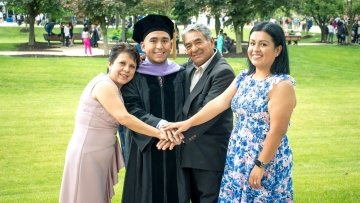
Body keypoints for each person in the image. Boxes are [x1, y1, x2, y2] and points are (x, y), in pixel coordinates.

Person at [163, 21, 296, 202]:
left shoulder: (282, 85)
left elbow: (277, 131)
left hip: (265, 159)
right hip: (237, 158)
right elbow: (218, 103)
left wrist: (260, 164)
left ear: (278, 50)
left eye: (263, 44)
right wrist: (187, 123)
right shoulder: (243, 78)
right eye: (252, 43)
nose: (255, 49)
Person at [59, 43, 171, 203]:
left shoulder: (114, 86)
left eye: (132, 66)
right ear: (110, 63)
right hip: (88, 154)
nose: (127, 69)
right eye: (122, 63)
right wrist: (160, 134)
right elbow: (124, 118)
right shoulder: (105, 86)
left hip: (100, 153)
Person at [163, 23, 235, 203]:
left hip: (209, 156)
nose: (193, 49)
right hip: (186, 153)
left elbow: (207, 115)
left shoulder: (223, 72)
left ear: (211, 41)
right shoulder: (187, 67)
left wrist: (173, 137)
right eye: (188, 45)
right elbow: (162, 75)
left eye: (198, 42)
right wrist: (142, 64)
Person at [120, 14, 185, 203]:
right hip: (145, 148)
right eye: (153, 40)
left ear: (171, 45)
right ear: (143, 45)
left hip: (176, 146)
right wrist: (162, 126)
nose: (159, 46)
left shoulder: (181, 74)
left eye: (165, 40)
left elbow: (188, 108)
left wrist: (174, 134)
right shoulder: (134, 75)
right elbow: (131, 108)